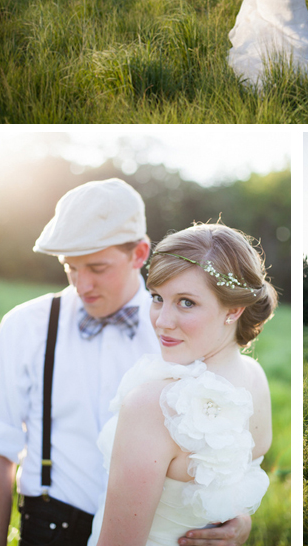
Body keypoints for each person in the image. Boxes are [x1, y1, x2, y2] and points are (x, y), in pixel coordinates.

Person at [0, 180, 252, 546]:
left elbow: (224, 440)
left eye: (96, 268)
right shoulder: (24, 326)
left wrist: (241, 518)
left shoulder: (181, 329)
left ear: (139, 253)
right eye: (70, 268)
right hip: (50, 526)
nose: (82, 284)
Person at [90, 222, 276, 546]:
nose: (162, 321)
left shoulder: (152, 405)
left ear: (234, 309)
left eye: (186, 302)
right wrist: (240, 523)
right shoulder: (254, 379)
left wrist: (237, 523)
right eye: (157, 297)